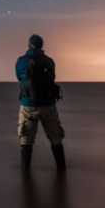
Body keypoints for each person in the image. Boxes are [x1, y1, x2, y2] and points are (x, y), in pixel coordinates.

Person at [15, 34, 66, 170]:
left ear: (29, 45)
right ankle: (61, 168)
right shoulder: (49, 61)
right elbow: (53, 77)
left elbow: (19, 77)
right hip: (49, 104)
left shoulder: (21, 61)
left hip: (28, 104)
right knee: (55, 137)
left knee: (26, 138)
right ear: (42, 46)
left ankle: (25, 172)